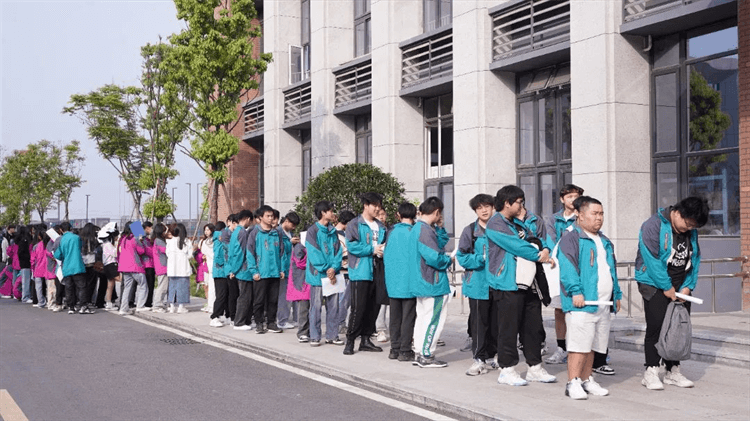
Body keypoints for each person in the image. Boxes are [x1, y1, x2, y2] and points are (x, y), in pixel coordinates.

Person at [485, 185, 556, 386]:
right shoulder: (496, 224)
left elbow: (538, 240)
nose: (521, 205)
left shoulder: (518, 223)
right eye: (519, 202)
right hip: (508, 283)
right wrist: (539, 255)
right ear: (507, 203)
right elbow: (517, 246)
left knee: (532, 327)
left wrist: (545, 249)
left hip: (529, 283)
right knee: (509, 328)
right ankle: (507, 369)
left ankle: (535, 367)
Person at [636, 196, 709, 390]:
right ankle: (651, 371)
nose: (688, 229)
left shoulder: (690, 231)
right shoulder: (653, 225)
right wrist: (667, 288)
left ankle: (672, 371)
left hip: (680, 285)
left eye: (693, 227)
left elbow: (696, 258)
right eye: (687, 224)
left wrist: (688, 285)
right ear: (677, 213)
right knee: (657, 327)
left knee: (678, 328)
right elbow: (651, 260)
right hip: (654, 283)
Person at [558, 196, 622, 399]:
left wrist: (616, 295)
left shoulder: (603, 240)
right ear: (580, 214)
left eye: (601, 214)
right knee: (578, 346)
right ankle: (572, 382)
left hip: (603, 303)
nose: (599, 218)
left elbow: (611, 270)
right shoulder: (571, 238)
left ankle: (586, 379)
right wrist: (576, 291)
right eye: (594, 213)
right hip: (582, 303)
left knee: (593, 345)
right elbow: (567, 268)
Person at [408, 197, 453, 368]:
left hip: (420, 281)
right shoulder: (425, 231)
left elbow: (436, 246)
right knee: (434, 319)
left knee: (422, 318)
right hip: (432, 282)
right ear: (436, 212)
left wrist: (439, 227)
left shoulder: (418, 228)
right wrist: (449, 260)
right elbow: (434, 257)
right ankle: (427, 355)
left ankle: (420, 352)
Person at [457, 194, 498, 376]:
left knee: (498, 323)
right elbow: (462, 257)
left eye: (487, 206)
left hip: (498, 283)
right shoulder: (470, 231)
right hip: (477, 284)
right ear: (475, 210)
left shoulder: (500, 228)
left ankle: (496, 354)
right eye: (479, 207)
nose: (484, 210)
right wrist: (480, 259)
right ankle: (479, 358)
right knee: (479, 324)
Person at [544, 184, 583, 366]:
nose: (573, 200)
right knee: (559, 310)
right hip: (559, 268)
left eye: (576, 196)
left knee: (580, 310)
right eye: (569, 196)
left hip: (580, 268)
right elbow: (550, 240)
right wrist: (552, 256)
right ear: (562, 199)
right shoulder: (554, 219)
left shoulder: (583, 216)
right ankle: (561, 348)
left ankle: (584, 350)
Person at [344, 193, 386, 355]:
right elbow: (352, 245)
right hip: (361, 271)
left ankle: (366, 339)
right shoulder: (355, 224)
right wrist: (372, 250)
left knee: (373, 307)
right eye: (374, 205)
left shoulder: (381, 226)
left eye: (379, 205)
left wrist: (383, 251)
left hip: (378, 270)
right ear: (365, 205)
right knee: (358, 307)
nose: (377, 208)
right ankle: (350, 340)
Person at [306, 200, 344, 347]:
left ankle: (332, 335)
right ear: (323, 212)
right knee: (315, 307)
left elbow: (338, 251)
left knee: (333, 307)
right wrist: (327, 268)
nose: (332, 213)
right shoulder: (312, 231)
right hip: (317, 275)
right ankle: (315, 336)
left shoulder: (333, 231)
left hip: (332, 275)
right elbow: (313, 252)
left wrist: (333, 268)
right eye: (330, 210)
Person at [383, 202, 418, 362]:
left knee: (395, 317)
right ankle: (405, 350)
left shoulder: (391, 232)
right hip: (409, 281)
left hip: (393, 281)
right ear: (415, 214)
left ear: (398, 215)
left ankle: (394, 349)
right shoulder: (415, 232)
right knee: (408, 317)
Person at [247, 205, 285, 334]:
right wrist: (254, 271)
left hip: (275, 272)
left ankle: (271, 323)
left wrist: (282, 269)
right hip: (261, 273)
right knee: (259, 300)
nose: (270, 218)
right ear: (260, 217)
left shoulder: (277, 232)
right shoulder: (254, 233)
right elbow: (250, 253)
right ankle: (259, 322)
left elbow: (281, 252)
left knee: (273, 300)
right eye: (267, 216)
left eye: (272, 216)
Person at [54, 222, 91, 314]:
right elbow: (81, 249)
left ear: (61, 230)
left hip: (66, 267)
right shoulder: (77, 238)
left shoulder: (61, 240)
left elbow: (57, 255)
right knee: (81, 287)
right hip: (77, 265)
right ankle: (83, 306)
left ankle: (71, 307)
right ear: (71, 228)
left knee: (69, 288)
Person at [229, 210, 256, 330]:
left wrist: (233, 269)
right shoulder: (242, 233)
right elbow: (240, 253)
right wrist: (234, 270)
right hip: (243, 270)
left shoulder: (236, 232)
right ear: (247, 219)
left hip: (238, 269)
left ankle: (244, 320)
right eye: (250, 220)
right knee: (245, 297)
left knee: (244, 296)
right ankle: (239, 322)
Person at [117, 222, 148, 315]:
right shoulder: (135, 239)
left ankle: (123, 308)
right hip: (135, 266)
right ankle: (140, 306)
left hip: (125, 267)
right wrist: (141, 241)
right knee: (143, 285)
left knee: (127, 288)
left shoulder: (124, 239)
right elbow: (141, 251)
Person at [276, 211, 300, 330]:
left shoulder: (290, 233)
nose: (293, 227)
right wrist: (290, 243)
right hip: (283, 269)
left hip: (292, 268)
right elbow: (278, 250)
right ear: (286, 221)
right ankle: (282, 320)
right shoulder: (278, 233)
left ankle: (294, 318)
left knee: (292, 295)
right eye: (292, 224)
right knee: (284, 296)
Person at [335, 210, 356, 334]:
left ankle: (339, 323)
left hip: (345, 271)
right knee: (342, 300)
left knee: (343, 300)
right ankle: (339, 323)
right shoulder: (338, 235)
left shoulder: (338, 233)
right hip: (342, 271)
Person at [166, 223, 193, 314]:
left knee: (172, 287)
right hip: (183, 268)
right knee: (182, 288)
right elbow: (190, 255)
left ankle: (172, 306)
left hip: (172, 268)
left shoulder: (170, 241)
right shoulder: (187, 241)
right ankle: (181, 307)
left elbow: (167, 253)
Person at [288, 239, 311, 342]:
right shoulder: (299, 247)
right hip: (301, 283)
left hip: (308, 281)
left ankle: (308, 331)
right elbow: (300, 263)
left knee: (309, 309)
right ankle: (302, 332)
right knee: (303, 309)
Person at [209, 221, 228, 327]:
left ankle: (219, 315)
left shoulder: (217, 239)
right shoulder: (220, 239)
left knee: (222, 294)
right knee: (221, 295)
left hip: (219, 272)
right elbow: (220, 257)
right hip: (220, 271)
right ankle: (214, 316)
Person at [30, 226, 53, 308]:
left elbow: (32, 260)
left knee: (38, 287)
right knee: (49, 287)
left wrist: (32, 268)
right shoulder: (50, 245)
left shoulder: (36, 246)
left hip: (38, 269)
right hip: (48, 269)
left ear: (39, 236)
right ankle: (49, 301)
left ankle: (41, 302)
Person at [199, 224, 216, 314]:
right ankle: (211, 305)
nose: (206, 232)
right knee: (211, 287)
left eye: (208, 230)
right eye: (205, 230)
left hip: (211, 266)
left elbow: (203, 252)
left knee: (212, 287)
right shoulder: (209, 241)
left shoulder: (206, 242)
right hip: (210, 266)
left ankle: (211, 306)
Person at [15, 226, 33, 304]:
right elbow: (23, 253)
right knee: (26, 280)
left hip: (22, 263)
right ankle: (25, 297)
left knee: (25, 280)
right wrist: (29, 258)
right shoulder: (24, 241)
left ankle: (25, 296)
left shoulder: (19, 241)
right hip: (26, 263)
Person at [142, 221, 156, 308]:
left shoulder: (146, 239)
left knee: (147, 285)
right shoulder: (144, 240)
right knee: (149, 285)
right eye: (151, 228)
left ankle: (146, 301)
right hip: (148, 265)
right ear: (147, 228)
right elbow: (149, 251)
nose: (151, 229)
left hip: (147, 265)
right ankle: (147, 302)